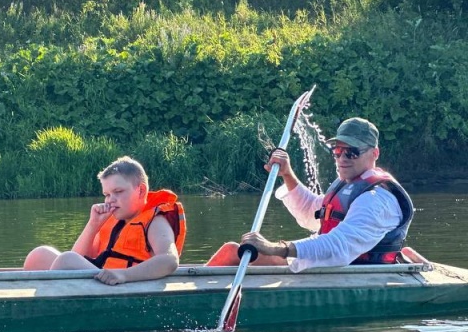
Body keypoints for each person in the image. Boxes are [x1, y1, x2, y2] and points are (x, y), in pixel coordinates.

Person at [206, 117, 414, 270]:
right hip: (328, 270)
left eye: (352, 152)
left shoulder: (377, 199)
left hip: (356, 275)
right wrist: (287, 175)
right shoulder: (347, 183)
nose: (342, 158)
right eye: (337, 151)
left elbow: (338, 246)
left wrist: (276, 248)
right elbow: (312, 214)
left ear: (374, 153)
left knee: (236, 253)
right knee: (231, 251)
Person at [22, 156, 186, 284]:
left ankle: (45, 309)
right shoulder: (113, 221)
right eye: (107, 194)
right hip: (102, 281)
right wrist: (93, 225)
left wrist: (123, 275)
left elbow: (170, 260)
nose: (110, 200)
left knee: (66, 260)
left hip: (126, 284)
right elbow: (77, 257)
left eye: (118, 191)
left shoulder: (155, 221)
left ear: (141, 190)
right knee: (40, 255)